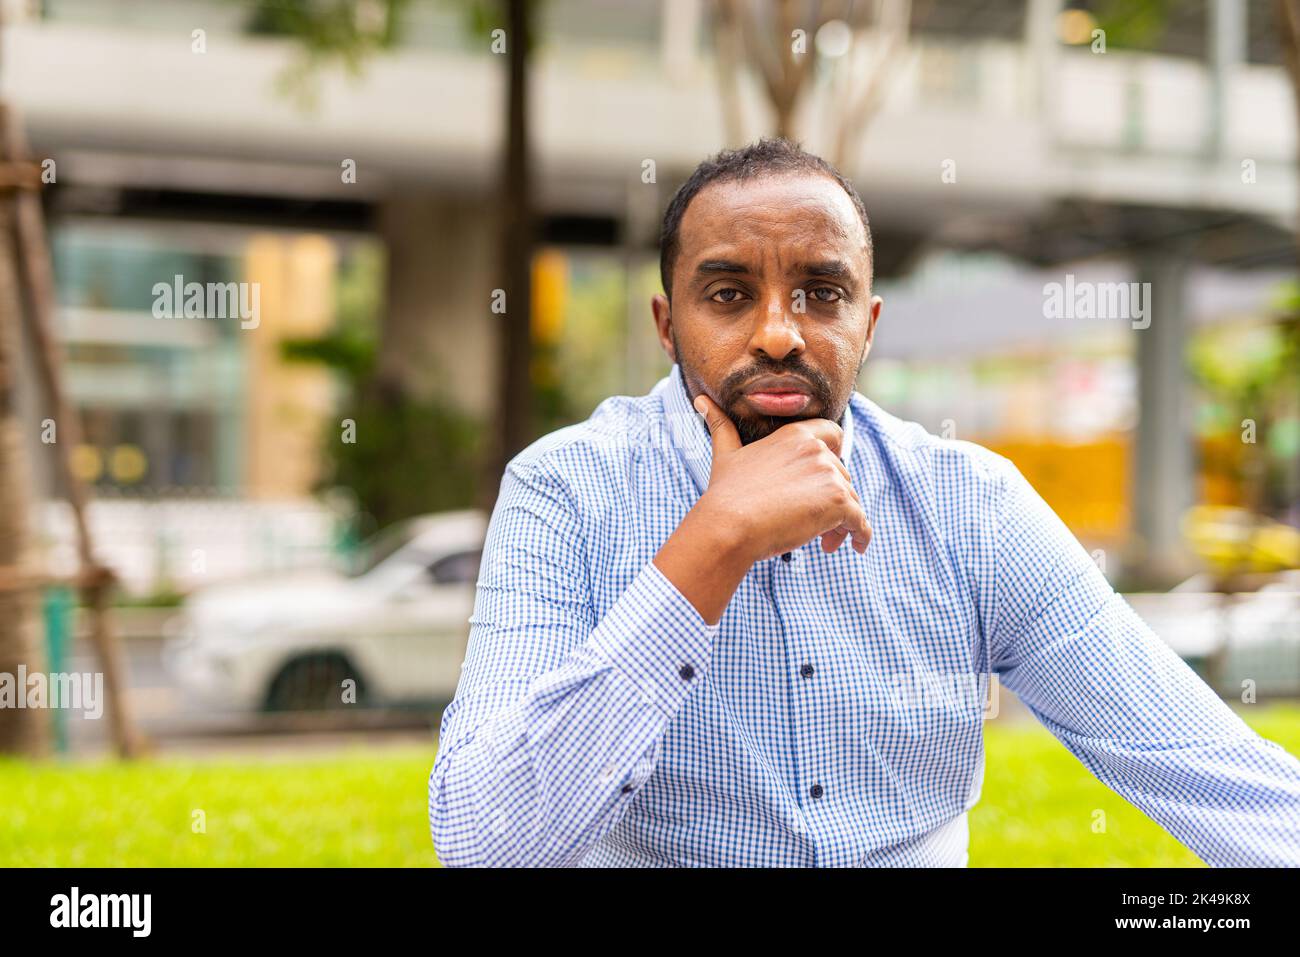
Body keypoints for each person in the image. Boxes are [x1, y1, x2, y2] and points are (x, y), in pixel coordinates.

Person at [428, 138, 1300, 867]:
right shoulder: (565, 492)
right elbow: (482, 840)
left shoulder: (972, 507)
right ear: (667, 324)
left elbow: (1199, 763)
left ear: (869, 324)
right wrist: (714, 542)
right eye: (729, 294)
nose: (779, 331)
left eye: (822, 293)